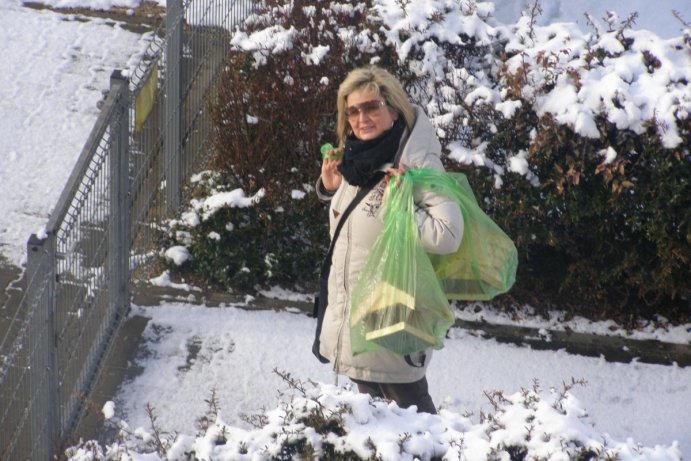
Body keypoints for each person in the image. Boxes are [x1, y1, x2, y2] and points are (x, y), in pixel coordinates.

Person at [313, 65, 463, 414]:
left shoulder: (415, 162)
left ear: (393, 109)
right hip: (356, 321)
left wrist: (403, 208)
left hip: (394, 323)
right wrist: (330, 189)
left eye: (371, 107)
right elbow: (355, 229)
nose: (361, 118)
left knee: (416, 427)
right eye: (352, 110)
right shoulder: (357, 160)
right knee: (375, 432)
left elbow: (449, 234)